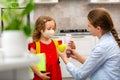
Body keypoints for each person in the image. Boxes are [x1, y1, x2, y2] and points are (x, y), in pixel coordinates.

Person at [58, 8, 120, 80]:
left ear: (98, 29)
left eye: (89, 26)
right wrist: (77, 56)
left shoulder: (102, 47)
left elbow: (79, 75)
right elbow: (94, 65)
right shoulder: (110, 40)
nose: (88, 29)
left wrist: (64, 59)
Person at [28, 16, 62, 80]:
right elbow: (31, 62)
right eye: (49, 29)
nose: (52, 31)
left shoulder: (56, 43)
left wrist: (72, 47)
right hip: (41, 77)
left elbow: (66, 55)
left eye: (53, 29)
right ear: (40, 29)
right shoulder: (35, 45)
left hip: (56, 76)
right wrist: (40, 74)